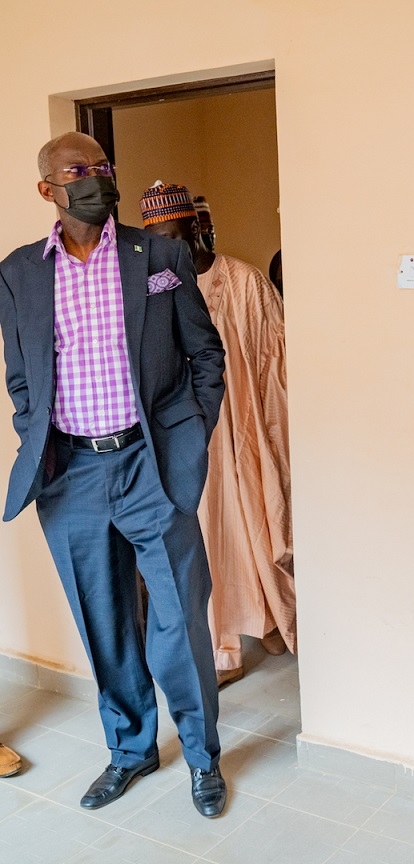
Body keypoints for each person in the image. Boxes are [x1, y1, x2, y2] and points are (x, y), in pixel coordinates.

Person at [0, 133, 228, 818]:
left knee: (180, 618)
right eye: (79, 171)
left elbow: (205, 356)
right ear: (48, 188)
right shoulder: (17, 273)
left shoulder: (159, 255)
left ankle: (201, 756)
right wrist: (36, 437)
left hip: (150, 463)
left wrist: (190, 439)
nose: (96, 179)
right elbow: (20, 377)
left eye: (103, 169)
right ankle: (130, 750)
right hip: (69, 474)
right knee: (105, 622)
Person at [140, 182, 295, 688]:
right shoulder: (153, 288)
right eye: (157, 240)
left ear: (197, 229)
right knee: (208, 535)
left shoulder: (244, 281)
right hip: (189, 433)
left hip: (244, 425)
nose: (168, 248)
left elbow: (275, 361)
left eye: (175, 236)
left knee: (256, 520)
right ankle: (221, 647)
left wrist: (277, 431)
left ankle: (268, 617)